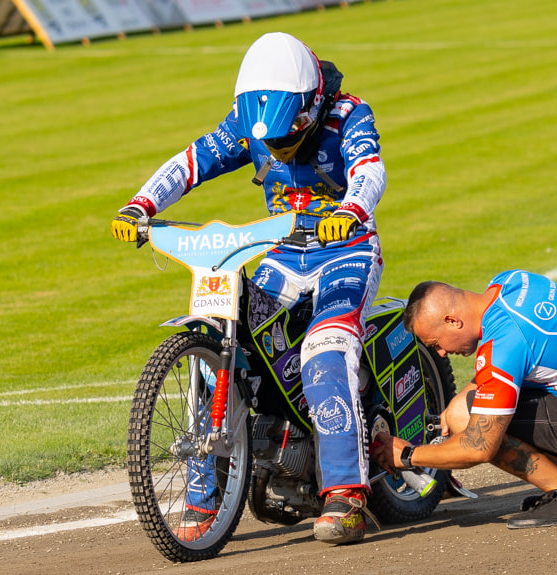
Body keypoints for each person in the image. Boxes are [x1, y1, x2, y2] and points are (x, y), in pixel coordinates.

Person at [111, 32, 386, 544]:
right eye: (271, 144)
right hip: (281, 254)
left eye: (286, 141)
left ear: (308, 111)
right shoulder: (247, 124)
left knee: (327, 350)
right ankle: (204, 495)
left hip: (346, 253)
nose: (276, 151)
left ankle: (347, 496)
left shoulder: (348, 114)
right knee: (221, 349)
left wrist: (351, 210)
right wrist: (142, 204)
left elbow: (371, 170)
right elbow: (194, 160)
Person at [371, 270, 557, 528]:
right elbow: (519, 355)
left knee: (469, 420)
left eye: (436, 344)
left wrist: (407, 455)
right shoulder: (509, 281)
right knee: (466, 405)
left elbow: (478, 448)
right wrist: (467, 394)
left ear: (452, 321)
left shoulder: (503, 345)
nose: (442, 353)